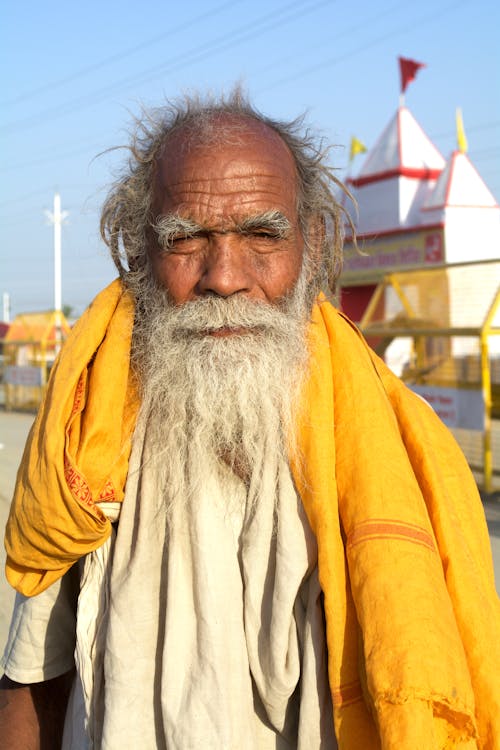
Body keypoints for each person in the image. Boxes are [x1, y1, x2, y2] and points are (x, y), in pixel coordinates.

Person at [0, 90, 499, 750]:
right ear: (137, 250)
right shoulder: (89, 427)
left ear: (311, 245)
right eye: (186, 239)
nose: (225, 277)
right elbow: (34, 678)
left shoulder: (396, 445)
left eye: (263, 234)